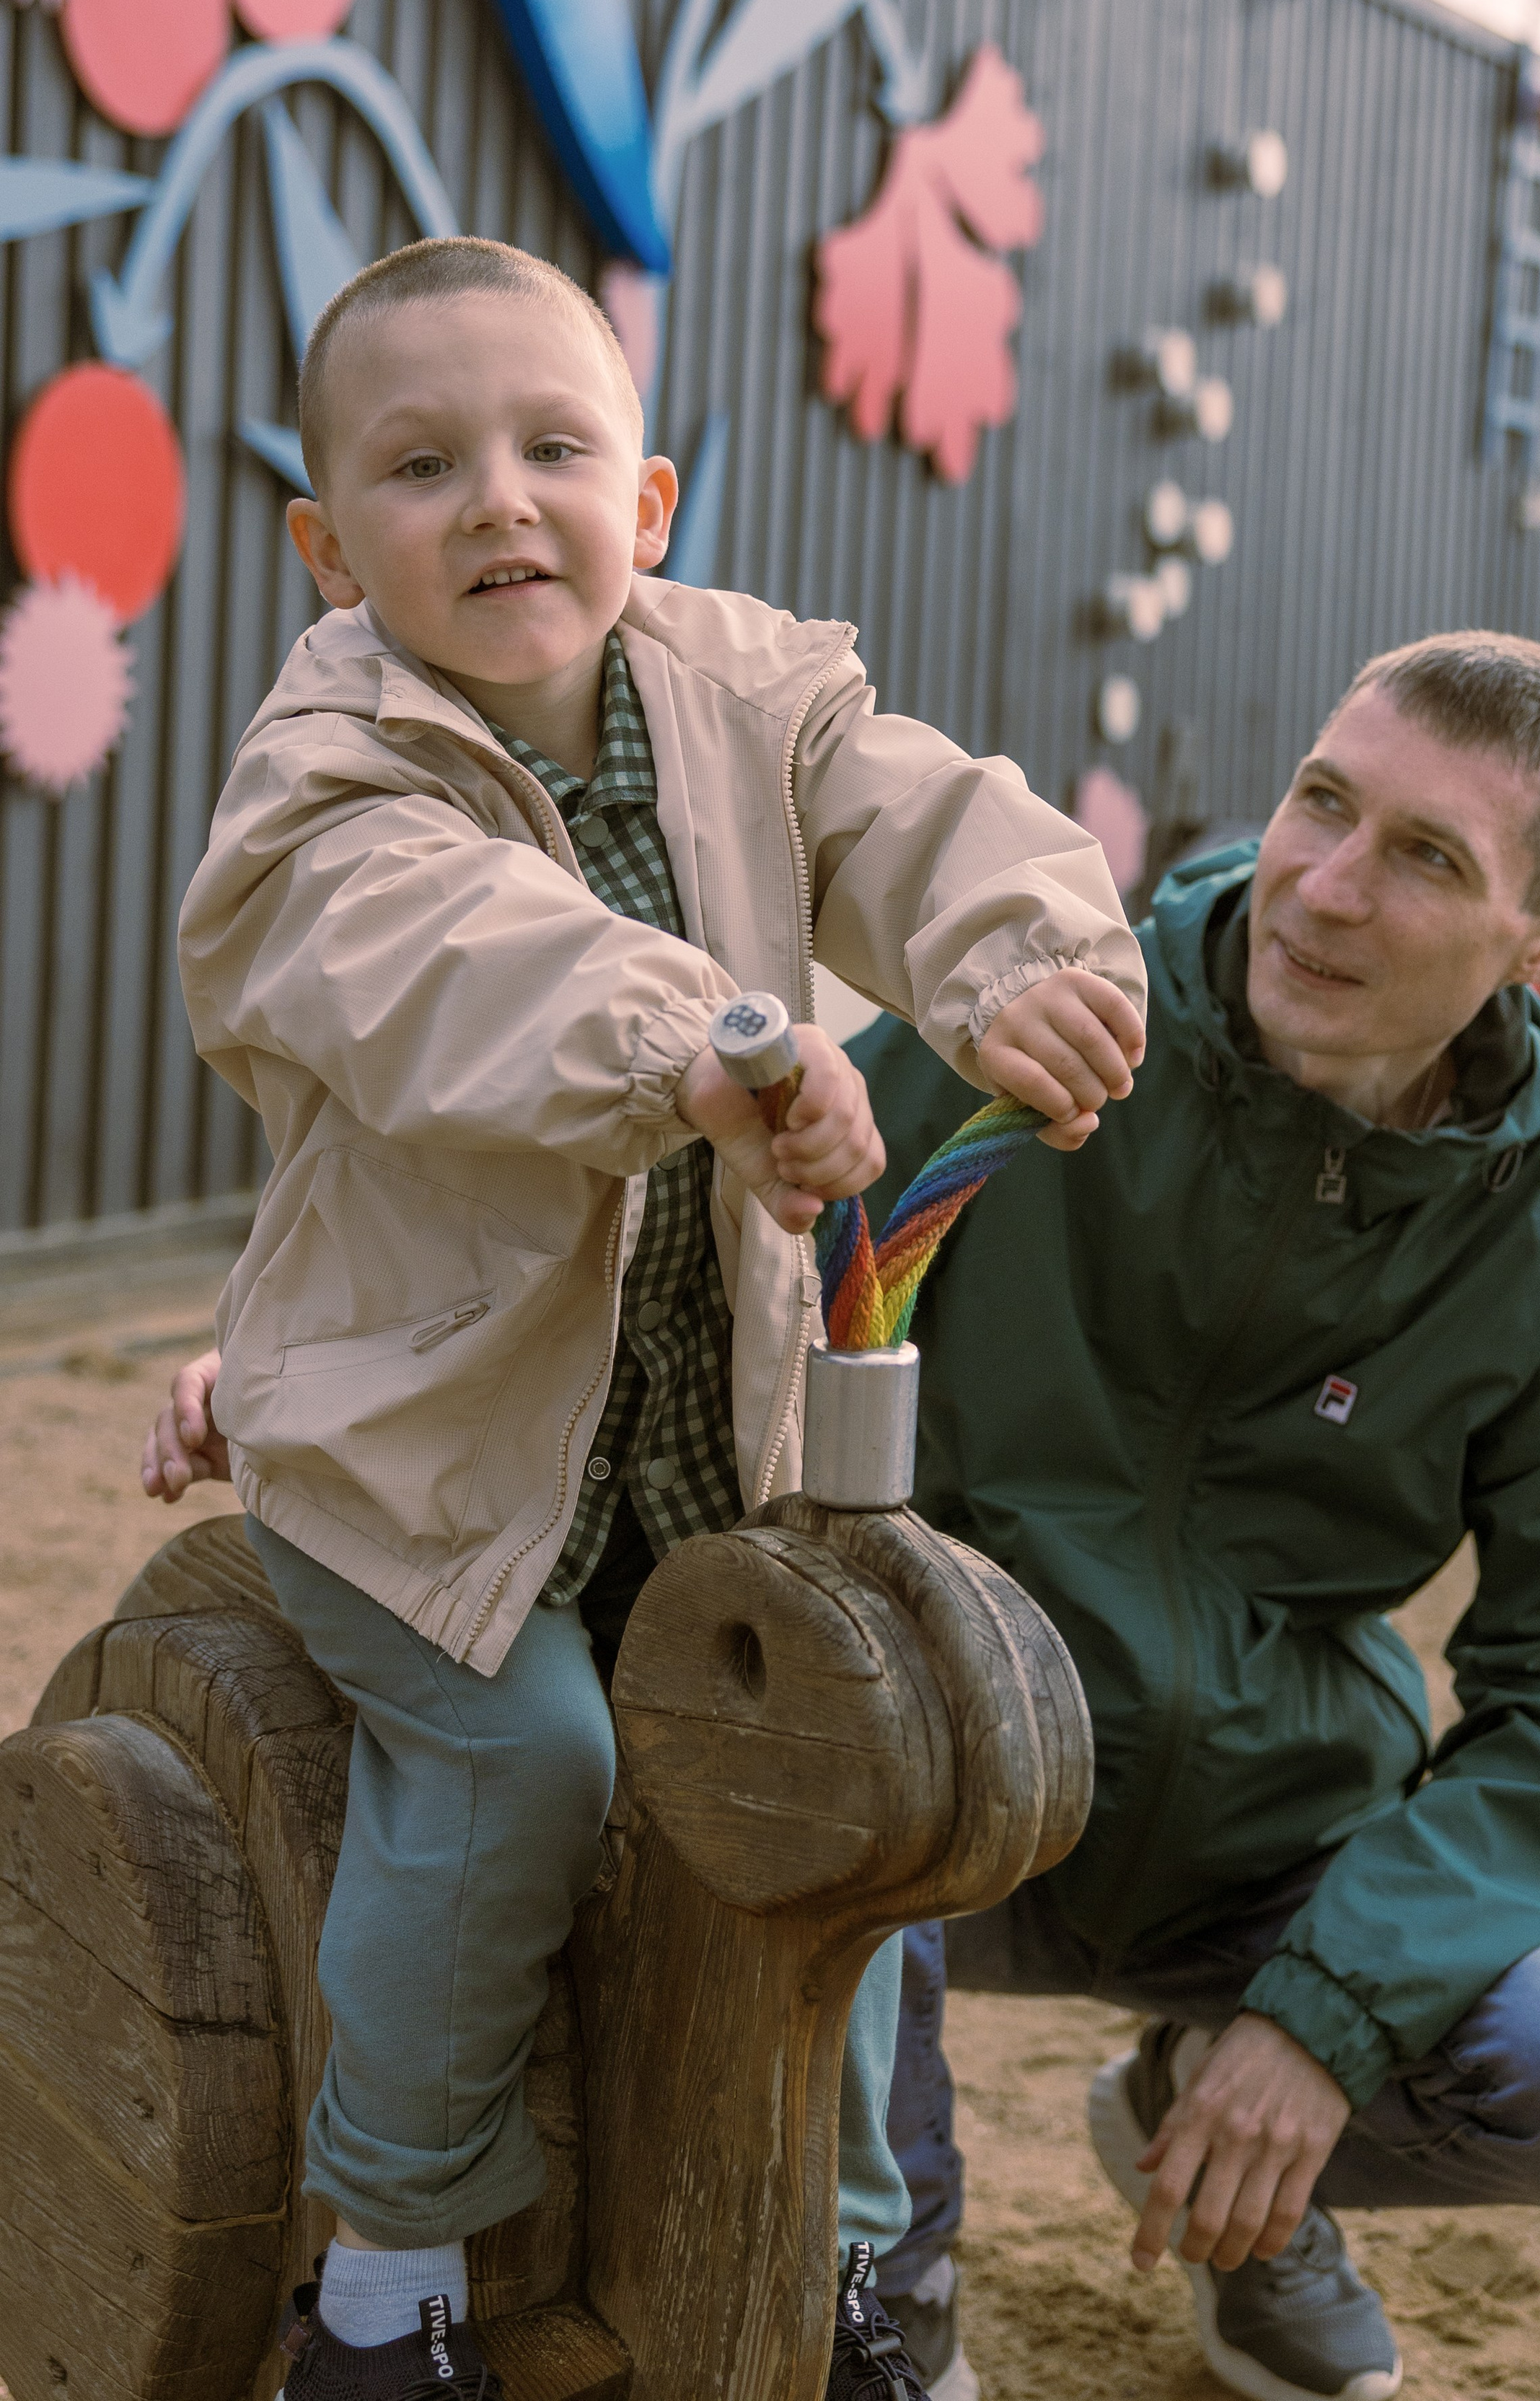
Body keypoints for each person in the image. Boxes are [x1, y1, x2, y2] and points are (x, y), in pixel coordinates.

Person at [153, 234, 1147, 2401]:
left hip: (708, 1447)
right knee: (520, 1759)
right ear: (331, 548)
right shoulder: (319, 786)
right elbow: (449, 958)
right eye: (424, 465)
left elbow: (910, 810)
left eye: (553, 447)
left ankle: (858, 2268)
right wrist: (706, 1040)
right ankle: (390, 2271)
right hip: (422, 1460)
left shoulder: (745, 688)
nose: (501, 499)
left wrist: (1016, 957)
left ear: (654, 502)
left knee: (859, 1766)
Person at [855, 633, 1540, 2401]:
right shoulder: (1046, 1024)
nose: (1323, 888)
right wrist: (327, 1353)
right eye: (1325, 800)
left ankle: (1222, 2136)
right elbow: (717, 1254)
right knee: (805, 1833)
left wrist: (1322, 2019)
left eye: (1426, 857)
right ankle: (889, 2295)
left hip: (1259, 1837)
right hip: (939, 1776)